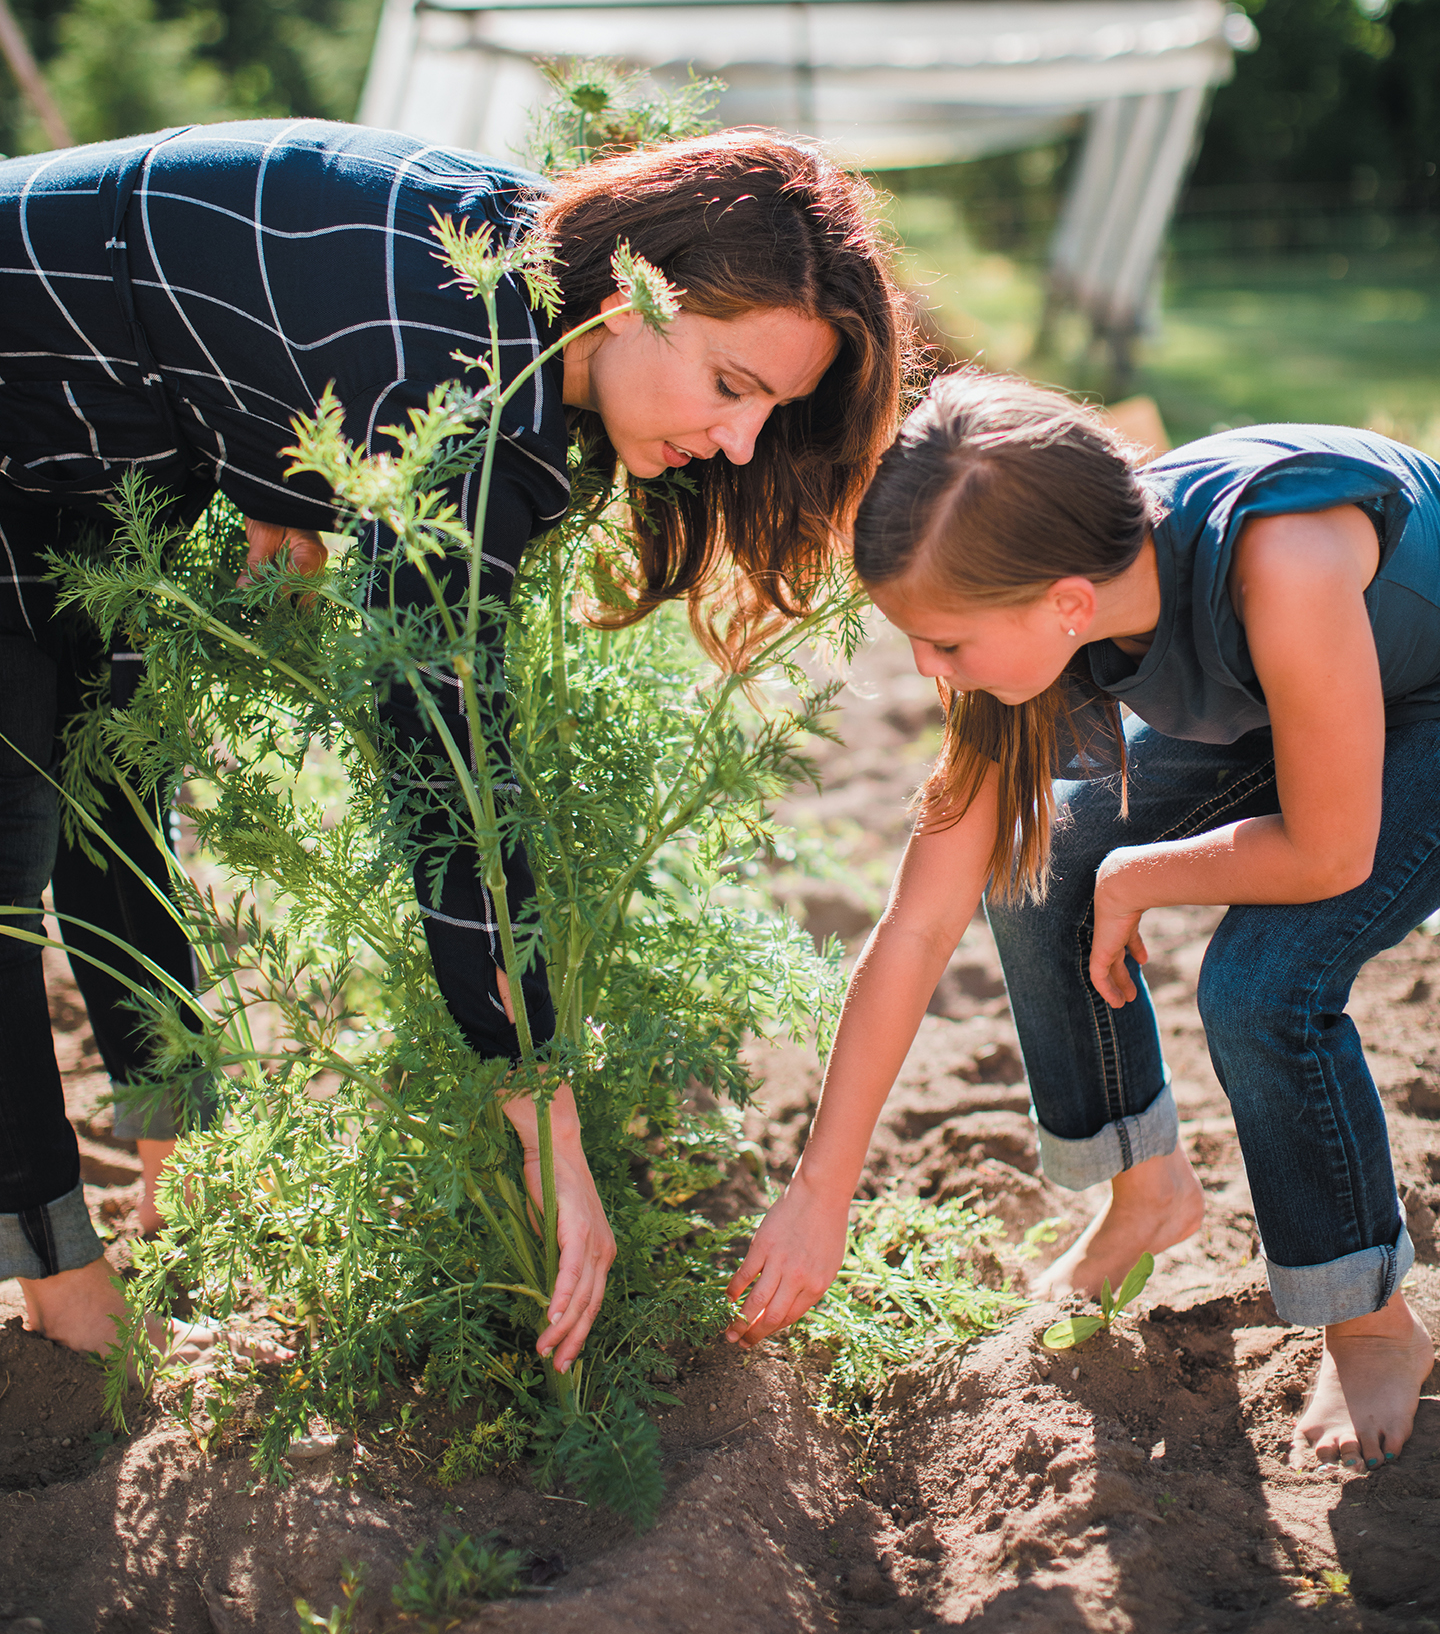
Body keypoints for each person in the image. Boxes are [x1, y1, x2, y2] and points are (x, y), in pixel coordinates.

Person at [0, 117, 910, 1373]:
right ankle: (60, 1284)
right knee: (15, 832)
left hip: (88, 439)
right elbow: (450, 779)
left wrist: (273, 460)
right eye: (731, 387)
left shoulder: (533, 299)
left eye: (772, 411)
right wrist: (545, 1118)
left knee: (114, 770)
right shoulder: (467, 380)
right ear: (635, 293)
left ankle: (180, 1167)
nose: (742, 444)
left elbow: (253, 307)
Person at [727, 368, 1438, 1474]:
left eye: (949, 645)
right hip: (1289, 695)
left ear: (1065, 605)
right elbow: (917, 926)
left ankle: (1373, 1322)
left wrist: (1142, 876)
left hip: (1424, 704)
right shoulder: (1053, 574)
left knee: (1259, 987)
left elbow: (1331, 849)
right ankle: (1145, 1191)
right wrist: (821, 1191)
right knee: (1037, 862)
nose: (927, 668)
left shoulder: (1282, 564)